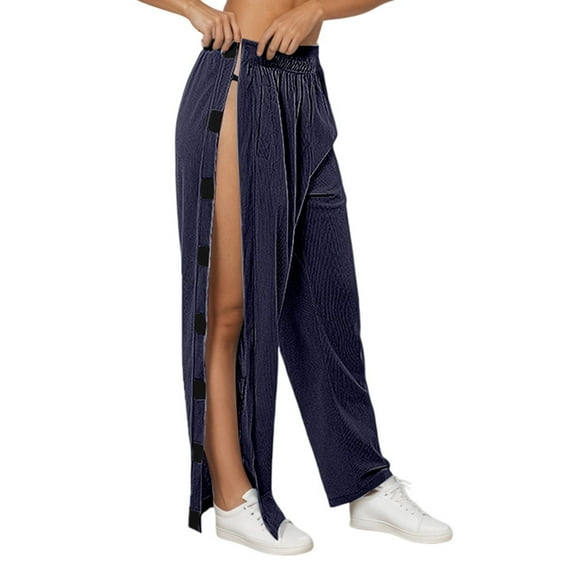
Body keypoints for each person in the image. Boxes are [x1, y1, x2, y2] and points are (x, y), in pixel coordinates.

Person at [138, 0, 453, 555]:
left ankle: (364, 481)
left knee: (328, 299)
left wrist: (317, 10)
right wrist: (192, 9)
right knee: (229, 309)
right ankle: (233, 496)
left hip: (305, 86)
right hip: (242, 81)